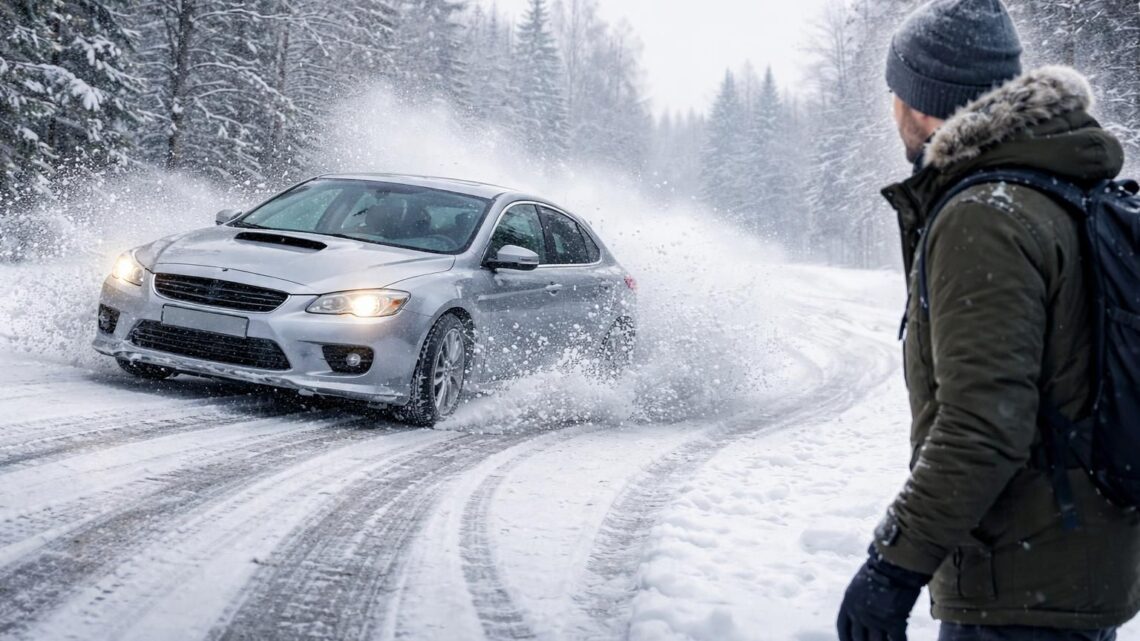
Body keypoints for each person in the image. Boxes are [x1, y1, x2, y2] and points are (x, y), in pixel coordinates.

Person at [835, 0, 1140, 639]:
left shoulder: (986, 216)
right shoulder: (1055, 191)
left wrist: (892, 566)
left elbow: (983, 425)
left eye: (897, 92)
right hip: (1072, 568)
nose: (892, 109)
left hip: (1019, 591)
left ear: (923, 103)